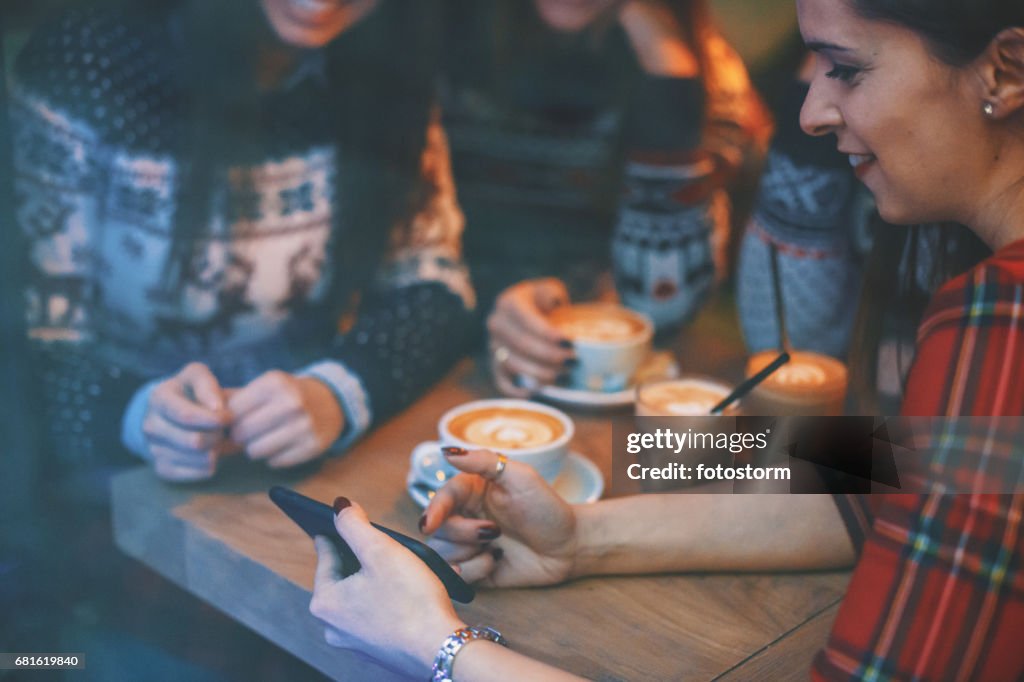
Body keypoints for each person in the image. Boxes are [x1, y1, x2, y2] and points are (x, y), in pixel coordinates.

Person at [306, 0, 1024, 679]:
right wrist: (584, 538)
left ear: (1004, 71)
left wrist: (435, 645)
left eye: (846, 68)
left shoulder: (998, 317)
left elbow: (823, 392)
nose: (808, 111)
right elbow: (888, 467)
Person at [12, 0, 475, 490]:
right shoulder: (87, 56)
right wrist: (137, 413)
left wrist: (339, 391)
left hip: (306, 458)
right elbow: (28, 344)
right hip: (108, 474)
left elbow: (436, 286)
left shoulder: (387, 58)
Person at [439, 0, 769, 395]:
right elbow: (396, 258)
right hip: (446, 354)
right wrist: (495, 306)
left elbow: (664, 306)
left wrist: (670, 78)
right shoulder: (436, 38)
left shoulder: (711, 78)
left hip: (612, 372)